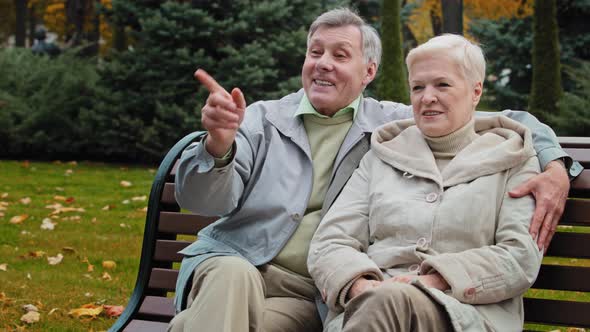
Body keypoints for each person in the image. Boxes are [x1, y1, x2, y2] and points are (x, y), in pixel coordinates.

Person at [169, 8, 575, 332]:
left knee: (193, 326)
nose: (323, 64)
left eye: (340, 55)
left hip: (308, 293)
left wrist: (556, 165)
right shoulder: (259, 119)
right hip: (237, 262)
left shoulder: (389, 127)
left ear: (369, 73)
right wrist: (219, 146)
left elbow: (505, 118)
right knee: (232, 277)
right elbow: (200, 200)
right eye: (315, 52)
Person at [308, 34, 547, 332]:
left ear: (476, 91)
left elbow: (519, 255)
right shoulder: (382, 156)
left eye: (442, 85)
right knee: (386, 303)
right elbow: (329, 242)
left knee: (391, 301)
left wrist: (429, 282)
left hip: (463, 315)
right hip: (370, 308)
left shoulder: (513, 158)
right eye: (417, 87)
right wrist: (362, 287)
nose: (427, 97)